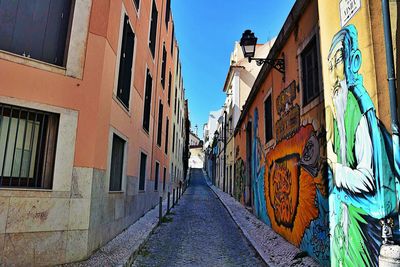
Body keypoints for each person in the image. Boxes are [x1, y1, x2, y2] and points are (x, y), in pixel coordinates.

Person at [327, 25, 399, 266]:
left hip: (367, 226)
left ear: (353, 61)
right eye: (330, 66)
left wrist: (336, 171)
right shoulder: (340, 109)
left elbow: (367, 179)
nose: (333, 74)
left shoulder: (357, 107)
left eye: (338, 61)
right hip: (350, 225)